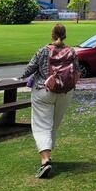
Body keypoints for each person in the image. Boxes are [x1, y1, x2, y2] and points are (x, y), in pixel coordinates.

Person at [20, 23, 79, 179]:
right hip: (65, 92)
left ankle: (45, 160)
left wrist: (20, 77)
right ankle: (48, 154)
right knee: (54, 124)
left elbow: (29, 69)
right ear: (64, 35)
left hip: (43, 91)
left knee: (41, 125)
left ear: (52, 34)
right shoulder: (71, 51)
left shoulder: (43, 50)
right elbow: (77, 73)